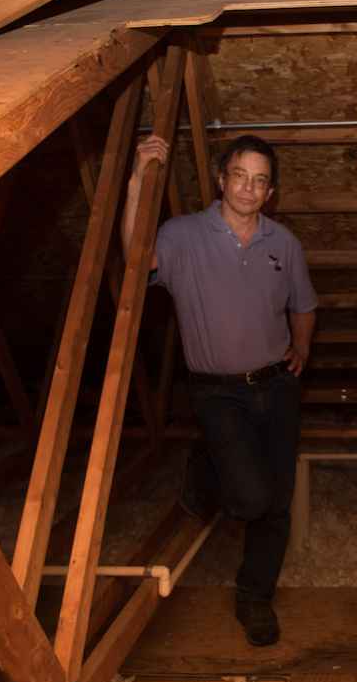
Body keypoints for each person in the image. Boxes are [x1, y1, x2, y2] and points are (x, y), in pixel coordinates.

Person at [124, 133, 318, 647]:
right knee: (251, 498)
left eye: (260, 180)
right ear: (220, 178)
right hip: (217, 393)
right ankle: (205, 468)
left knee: (276, 500)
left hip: (277, 386)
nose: (248, 188)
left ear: (270, 191)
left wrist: (302, 347)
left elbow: (303, 302)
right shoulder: (183, 235)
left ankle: (254, 597)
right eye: (239, 175)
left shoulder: (284, 243)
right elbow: (133, 258)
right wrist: (138, 178)